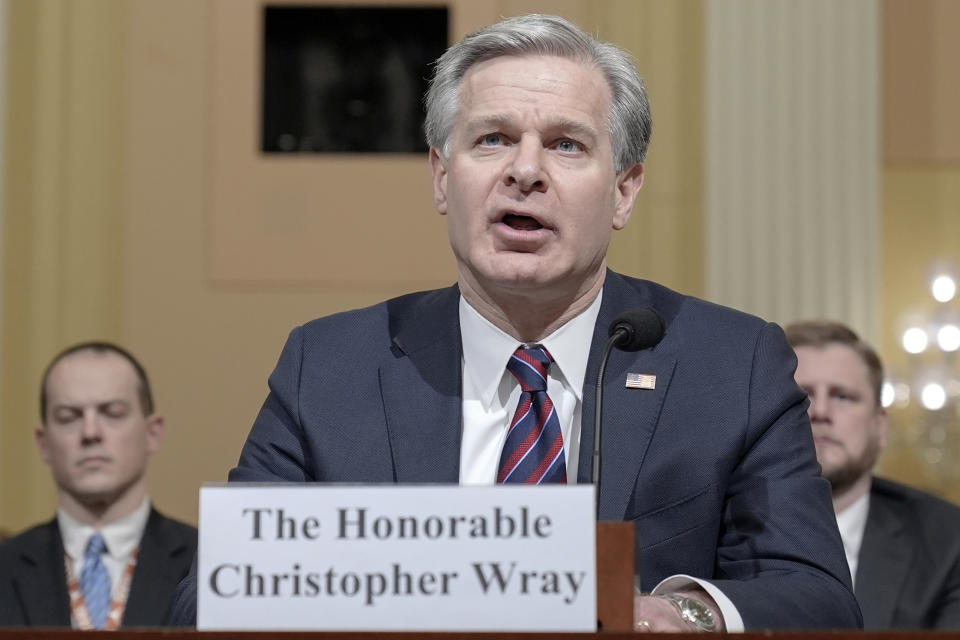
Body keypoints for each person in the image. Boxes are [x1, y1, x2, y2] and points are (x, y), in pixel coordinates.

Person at [172, 14, 859, 631]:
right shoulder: (329, 366)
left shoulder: (730, 364)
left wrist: (681, 613)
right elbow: (204, 602)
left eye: (565, 145)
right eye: (493, 139)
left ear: (623, 190)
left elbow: (818, 599)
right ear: (443, 178)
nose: (524, 171)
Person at [0, 342, 197, 629]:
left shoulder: (204, 565)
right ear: (44, 443)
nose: (90, 432)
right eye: (69, 417)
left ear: (152, 433)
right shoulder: (5, 566)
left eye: (113, 413)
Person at [787, 320, 960, 629]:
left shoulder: (949, 540)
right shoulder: (712, 529)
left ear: (880, 426)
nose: (820, 411)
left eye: (843, 396)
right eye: (802, 396)